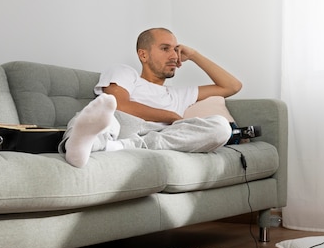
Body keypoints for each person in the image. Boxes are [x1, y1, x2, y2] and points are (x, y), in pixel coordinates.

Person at [60, 27, 244, 168]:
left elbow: (232, 86)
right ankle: (80, 145)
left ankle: (116, 147)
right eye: (165, 49)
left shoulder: (179, 94)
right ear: (143, 54)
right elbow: (120, 105)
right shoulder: (125, 73)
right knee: (104, 112)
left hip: (155, 137)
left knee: (221, 127)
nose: (173, 55)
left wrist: (194, 55)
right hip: (120, 124)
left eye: (176, 50)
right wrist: (171, 116)